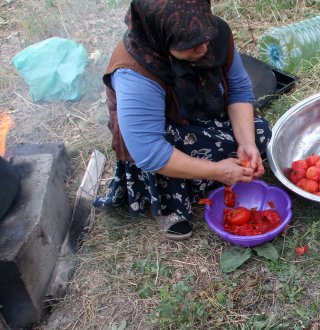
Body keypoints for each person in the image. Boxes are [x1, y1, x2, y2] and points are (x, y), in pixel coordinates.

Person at [94, 0, 271, 240]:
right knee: (173, 158)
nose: (204, 49)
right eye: (191, 46)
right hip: (161, 135)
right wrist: (217, 171)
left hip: (199, 114)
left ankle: (211, 175)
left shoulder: (212, 34)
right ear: (161, 36)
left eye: (206, 38)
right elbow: (149, 152)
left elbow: (239, 90)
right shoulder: (135, 71)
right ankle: (169, 204)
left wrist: (247, 143)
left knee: (260, 133)